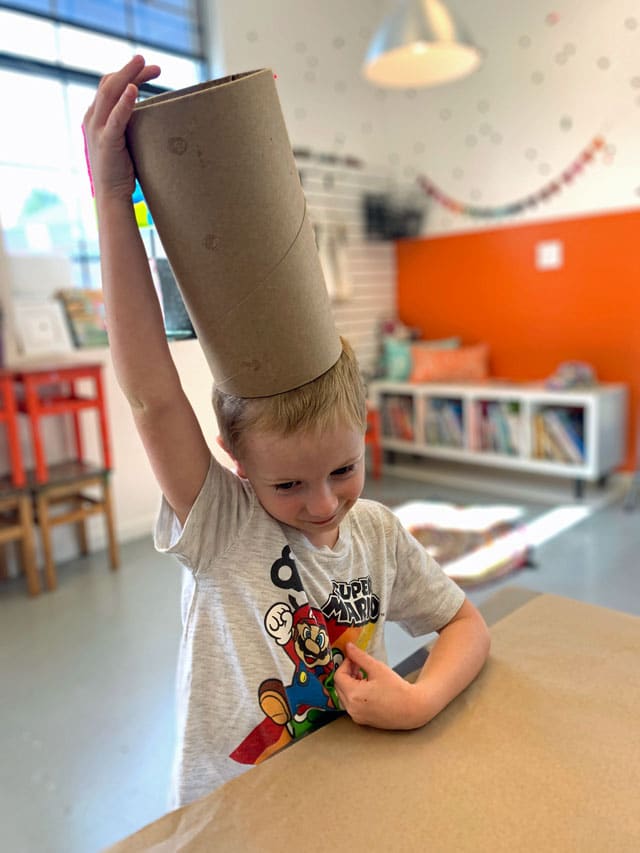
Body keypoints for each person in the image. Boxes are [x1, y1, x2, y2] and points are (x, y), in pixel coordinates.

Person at [83, 55, 491, 809]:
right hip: (234, 815)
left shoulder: (377, 537)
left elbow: (466, 624)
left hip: (346, 801)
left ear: (365, 432)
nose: (323, 503)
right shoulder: (221, 527)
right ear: (235, 462)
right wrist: (113, 198)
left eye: (342, 467)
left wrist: (421, 698)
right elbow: (151, 396)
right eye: (288, 483)